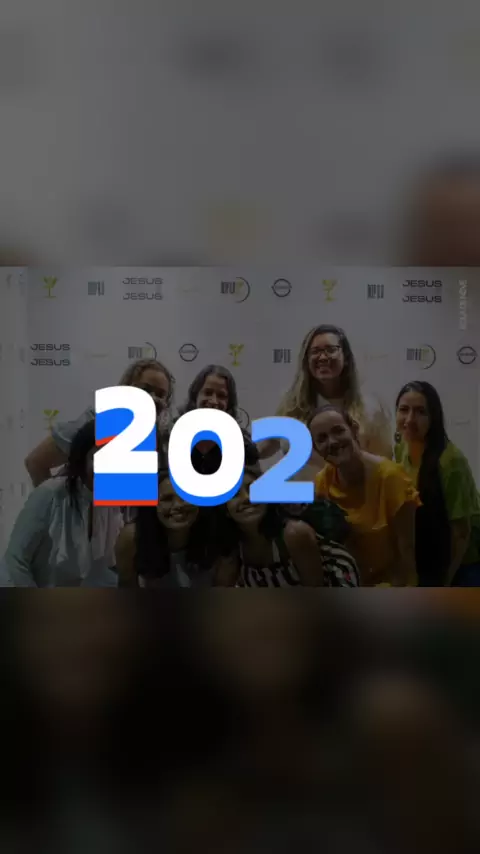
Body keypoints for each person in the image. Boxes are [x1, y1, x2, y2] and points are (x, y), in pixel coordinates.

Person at [258, 325, 392, 479]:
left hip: (348, 494)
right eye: (315, 351)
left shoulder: (370, 408)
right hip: (297, 493)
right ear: (306, 360)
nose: (322, 357)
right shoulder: (291, 404)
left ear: (346, 357)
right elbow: (264, 447)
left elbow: (383, 465)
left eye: (330, 350)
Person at [1, 420, 122, 586]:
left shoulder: (110, 506)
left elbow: (100, 572)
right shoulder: (50, 494)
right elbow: (15, 562)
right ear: (82, 459)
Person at [310, 405, 419, 586]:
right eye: (322, 439)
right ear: (316, 448)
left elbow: (407, 555)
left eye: (338, 431)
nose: (332, 442)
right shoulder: (323, 482)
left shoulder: (391, 478)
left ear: (353, 429)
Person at [24, 357, 175, 486]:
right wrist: (53, 506)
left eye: (161, 394)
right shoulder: (96, 421)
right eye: (145, 389)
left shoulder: (161, 439)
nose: (153, 398)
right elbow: (36, 462)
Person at [395, 381, 480, 586]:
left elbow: (461, 533)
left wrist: (445, 582)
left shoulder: (450, 461)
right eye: (404, 410)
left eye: (420, 412)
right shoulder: (401, 448)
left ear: (433, 418)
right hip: (429, 554)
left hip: (463, 562)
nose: (410, 419)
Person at [215, 467, 359, 587]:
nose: (247, 497)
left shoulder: (294, 534)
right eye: (234, 495)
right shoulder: (234, 549)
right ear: (225, 510)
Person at [115, 470, 222, 588]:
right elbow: (127, 589)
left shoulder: (217, 534)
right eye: (167, 499)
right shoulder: (132, 538)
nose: (178, 505)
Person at [174, 364, 259, 473]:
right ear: (196, 395)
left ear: (229, 403)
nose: (214, 401)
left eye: (221, 396)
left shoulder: (241, 442)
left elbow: (253, 477)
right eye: (208, 393)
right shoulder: (173, 432)